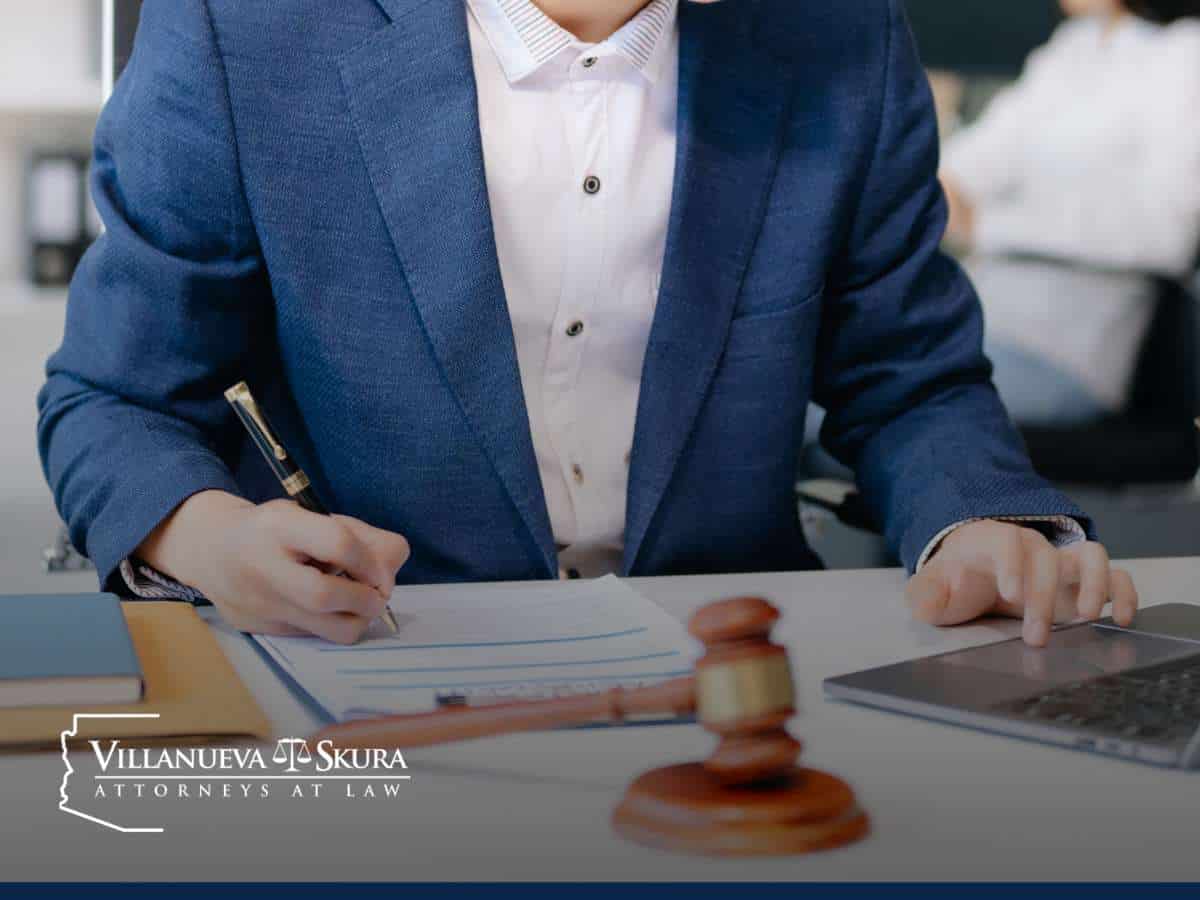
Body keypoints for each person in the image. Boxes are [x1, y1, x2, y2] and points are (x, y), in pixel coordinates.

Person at [38, 0, 1137, 647]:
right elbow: (116, 398)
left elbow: (911, 376)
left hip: (741, 664)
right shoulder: (248, 29)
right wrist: (213, 540)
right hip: (378, 651)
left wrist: (981, 521)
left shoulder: (838, 34)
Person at [941, 0, 1200, 425]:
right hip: (978, 322)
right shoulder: (1071, 48)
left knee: (836, 411)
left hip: (1063, 350)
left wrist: (990, 224)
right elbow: (978, 159)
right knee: (811, 388)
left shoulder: (1183, 54)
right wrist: (935, 184)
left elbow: (1168, 233)